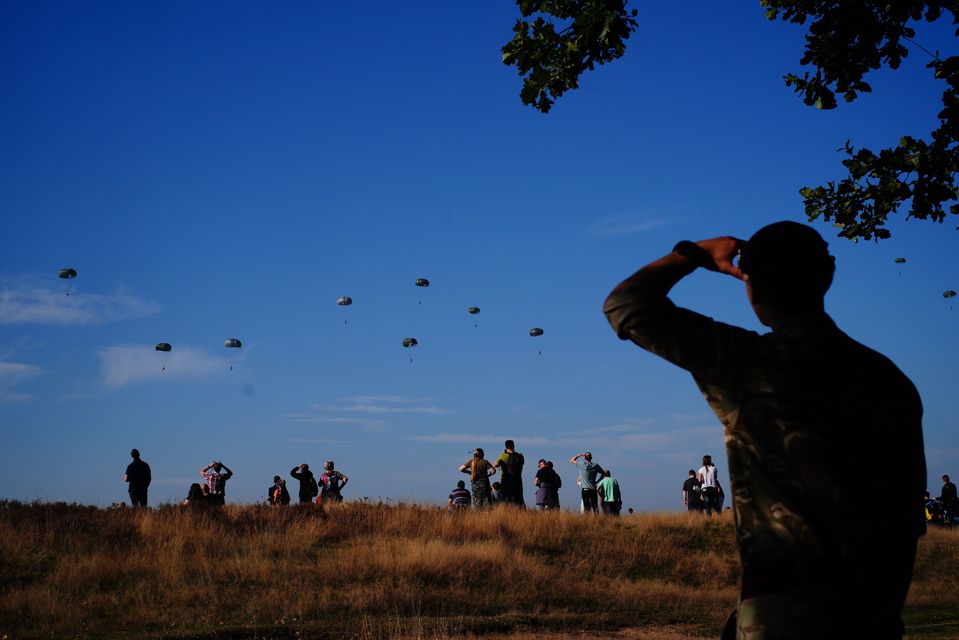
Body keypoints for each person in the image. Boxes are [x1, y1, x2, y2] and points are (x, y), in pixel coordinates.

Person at [604, 222, 926, 639]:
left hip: (781, 608)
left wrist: (693, 253)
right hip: (872, 611)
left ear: (751, 285)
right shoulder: (890, 382)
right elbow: (906, 520)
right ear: (827, 274)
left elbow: (626, 304)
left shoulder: (750, 364)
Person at [492, 440, 525, 506]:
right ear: (513, 446)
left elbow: (495, 465)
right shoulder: (520, 456)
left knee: (506, 498)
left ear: (506, 446)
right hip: (517, 480)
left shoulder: (503, 455)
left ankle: (508, 513)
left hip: (506, 480)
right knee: (518, 499)